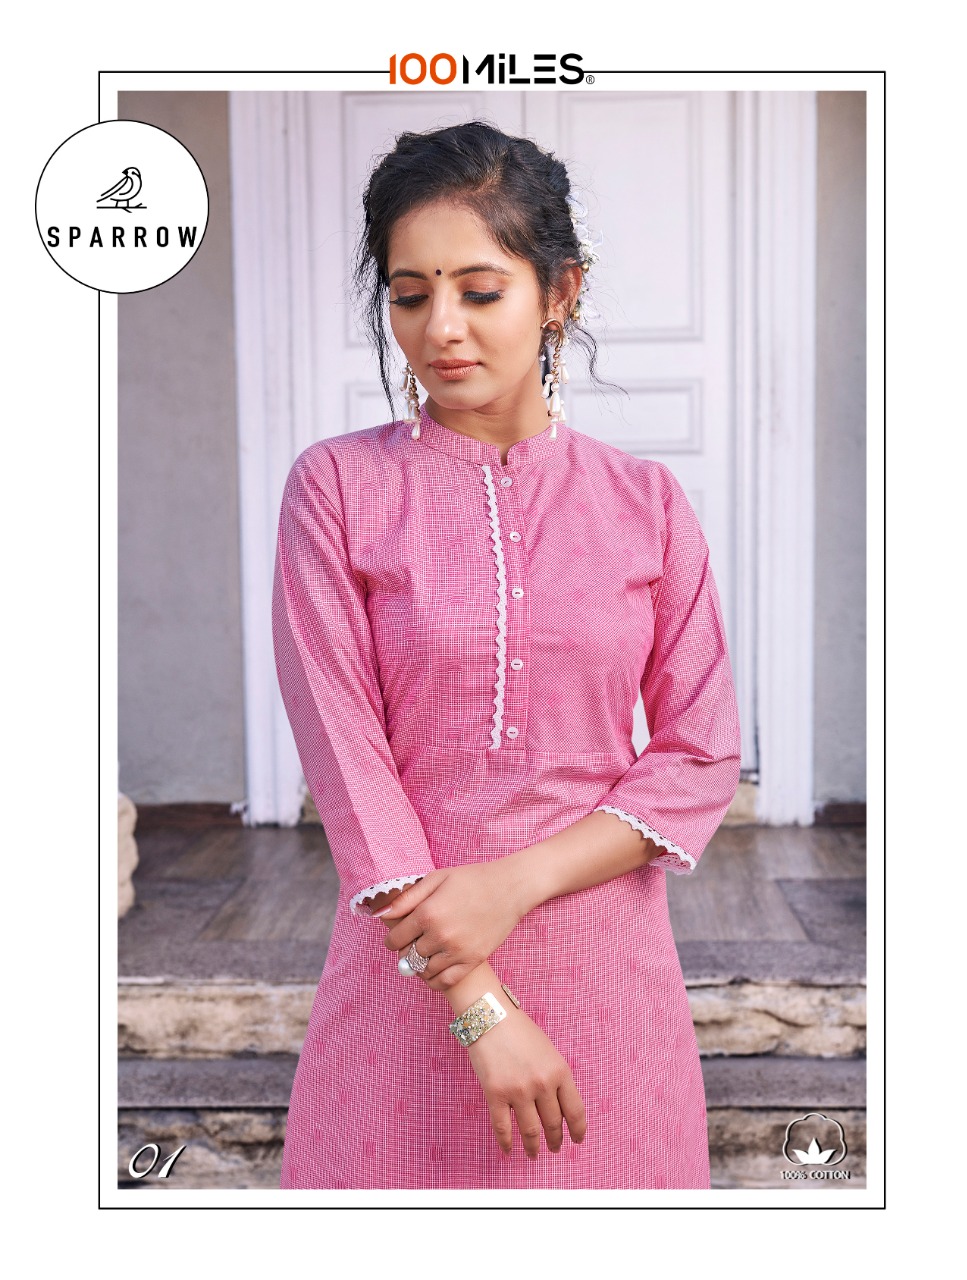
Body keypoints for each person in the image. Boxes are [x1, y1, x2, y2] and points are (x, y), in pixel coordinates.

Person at [272, 120, 741, 1191]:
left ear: (559, 291)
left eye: (480, 292)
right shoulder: (336, 490)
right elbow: (348, 763)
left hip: (605, 977)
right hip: (408, 978)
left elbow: (701, 751)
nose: (441, 329)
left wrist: (510, 886)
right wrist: (479, 999)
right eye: (409, 295)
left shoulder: (647, 504)